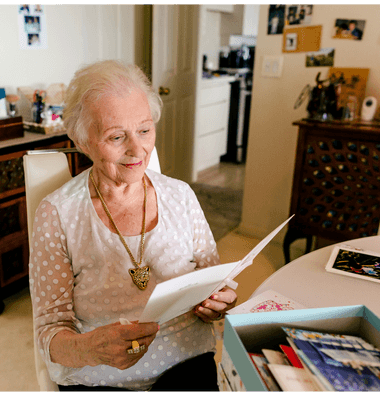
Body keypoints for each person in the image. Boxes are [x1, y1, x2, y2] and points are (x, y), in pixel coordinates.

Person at [28, 60, 237, 392]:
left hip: (185, 366)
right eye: (116, 136)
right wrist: (88, 348)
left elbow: (215, 283)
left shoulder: (180, 196)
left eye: (144, 129)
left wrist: (218, 303)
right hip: (100, 378)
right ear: (83, 141)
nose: (138, 150)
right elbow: (49, 332)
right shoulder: (58, 214)